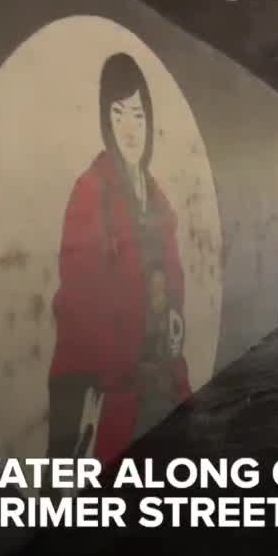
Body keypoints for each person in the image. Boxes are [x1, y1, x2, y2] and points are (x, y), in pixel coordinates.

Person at [47, 52, 191, 465]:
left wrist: (173, 315)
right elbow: (77, 308)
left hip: (163, 388)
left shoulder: (157, 200)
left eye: (139, 115)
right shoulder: (92, 192)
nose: (130, 127)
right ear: (105, 121)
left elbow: (172, 279)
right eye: (118, 113)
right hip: (119, 403)